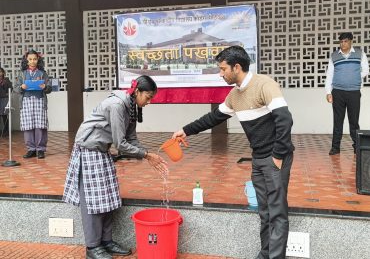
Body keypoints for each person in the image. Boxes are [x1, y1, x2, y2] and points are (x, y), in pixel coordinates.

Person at [172, 46, 294, 259]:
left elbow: (284, 119)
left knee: (277, 213)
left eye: (222, 69)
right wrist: (186, 130)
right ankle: (266, 254)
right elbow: (213, 118)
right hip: (258, 159)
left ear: (236, 67)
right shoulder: (234, 95)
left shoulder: (265, 85)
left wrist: (277, 155)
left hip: (275, 158)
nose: (220, 74)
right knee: (264, 212)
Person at [63, 75, 168, 259]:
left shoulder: (131, 106)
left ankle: (106, 241)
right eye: (148, 97)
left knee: (108, 198)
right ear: (137, 91)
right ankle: (92, 247)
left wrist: (148, 154)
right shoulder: (117, 105)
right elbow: (120, 143)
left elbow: (131, 138)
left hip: (101, 151)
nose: (149, 102)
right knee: (93, 202)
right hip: (89, 150)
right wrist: (146, 155)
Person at [325, 32, 369, 155]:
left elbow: (365, 70)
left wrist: (354, 77)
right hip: (337, 92)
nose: (343, 44)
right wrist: (328, 92)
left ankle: (357, 146)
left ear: (351, 42)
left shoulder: (360, 54)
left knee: (354, 121)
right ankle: (335, 147)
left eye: (345, 41)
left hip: (354, 92)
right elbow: (329, 75)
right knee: (338, 120)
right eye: (341, 42)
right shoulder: (334, 56)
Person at [13, 49, 52, 159]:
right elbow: (15, 88)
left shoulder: (43, 73)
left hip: (39, 101)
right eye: (30, 59)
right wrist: (21, 87)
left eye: (35, 59)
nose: (32, 61)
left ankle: (40, 149)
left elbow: (49, 88)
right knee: (28, 126)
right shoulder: (22, 74)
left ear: (38, 59)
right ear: (26, 60)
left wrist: (45, 87)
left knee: (40, 125)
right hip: (26, 101)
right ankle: (31, 149)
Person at [0, 67, 13, 137]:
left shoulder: (6, 80)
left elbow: (11, 88)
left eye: (0, 72)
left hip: (4, 99)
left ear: (3, 73)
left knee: (4, 115)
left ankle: (6, 131)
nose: (0, 73)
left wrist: (7, 93)